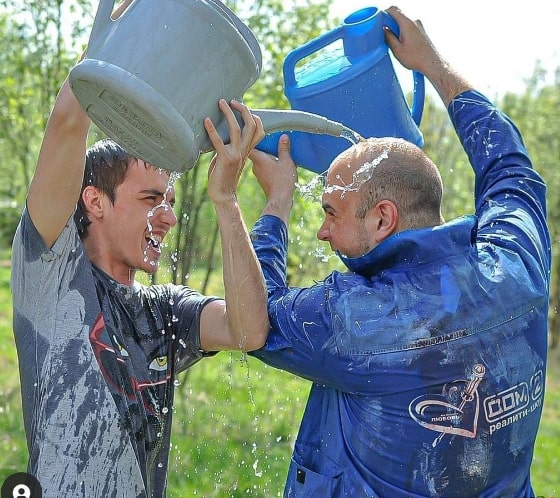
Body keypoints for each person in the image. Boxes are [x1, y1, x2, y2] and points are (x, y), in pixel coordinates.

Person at [248, 6, 550, 497]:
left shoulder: (356, 318)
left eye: (331, 212)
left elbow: (254, 319)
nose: (323, 233)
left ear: (382, 218)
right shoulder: (517, 264)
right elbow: (510, 169)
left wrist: (276, 203)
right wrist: (433, 66)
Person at [10, 1, 268, 497]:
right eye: (152, 199)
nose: (168, 217)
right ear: (95, 202)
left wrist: (228, 199)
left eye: (170, 201)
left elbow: (249, 329)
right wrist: (103, 59)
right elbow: (66, 123)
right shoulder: (50, 272)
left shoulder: (166, 310)